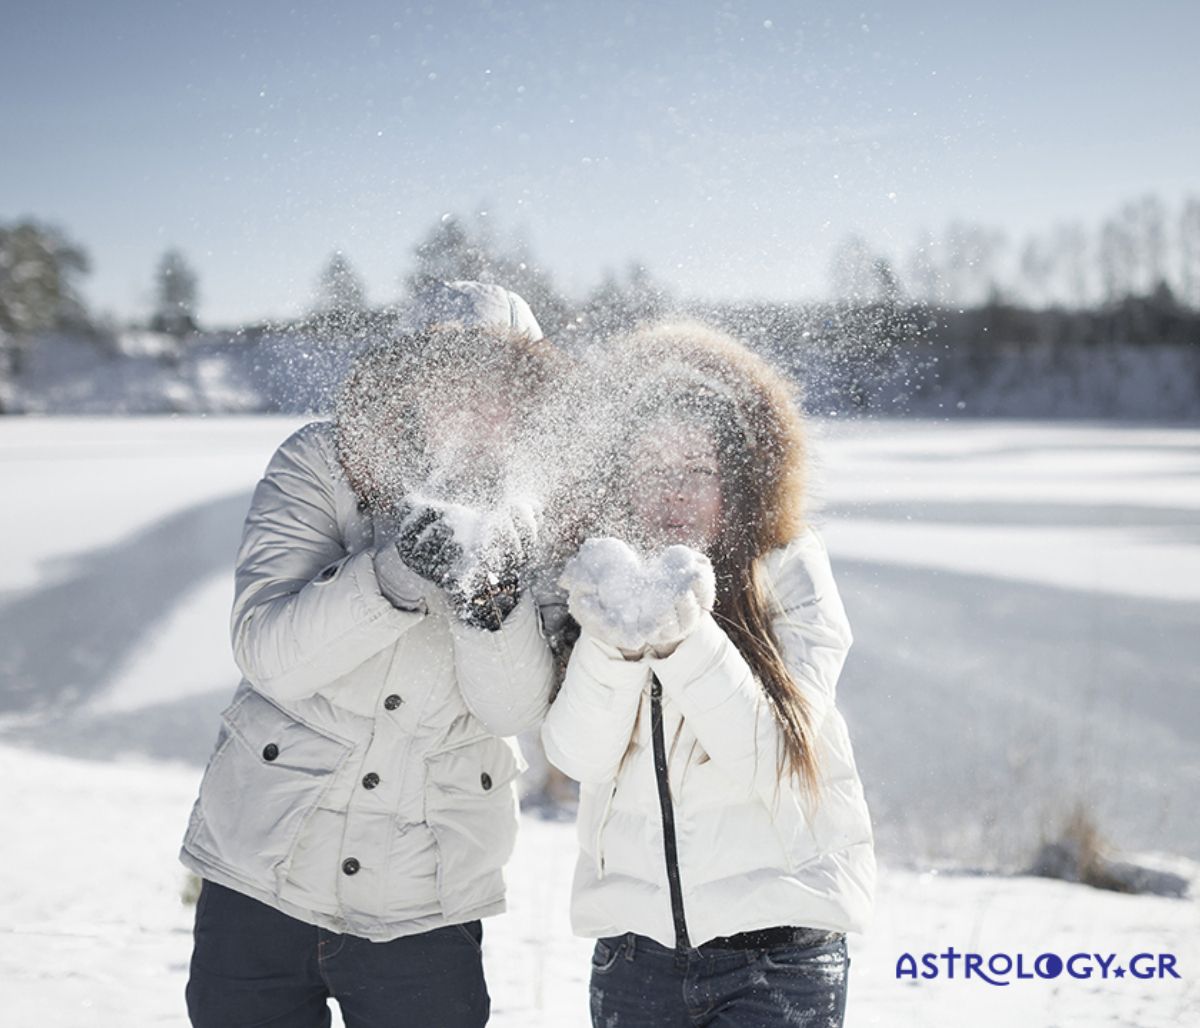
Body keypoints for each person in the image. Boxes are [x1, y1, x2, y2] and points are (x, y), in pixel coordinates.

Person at [181, 282, 557, 1028]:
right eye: (445, 372)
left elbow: (514, 710)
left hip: (423, 897)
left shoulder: (542, 507)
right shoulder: (324, 461)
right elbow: (268, 654)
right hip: (261, 871)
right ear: (405, 378)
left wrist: (492, 606)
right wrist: (394, 573)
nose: (469, 400)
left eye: (494, 380)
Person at [541, 322, 875, 1028]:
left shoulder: (788, 571)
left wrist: (683, 634)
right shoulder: (599, 583)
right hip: (637, 960)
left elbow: (776, 760)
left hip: (778, 957)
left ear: (740, 483)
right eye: (652, 470)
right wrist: (615, 639)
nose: (675, 493)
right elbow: (578, 757)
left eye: (697, 472)